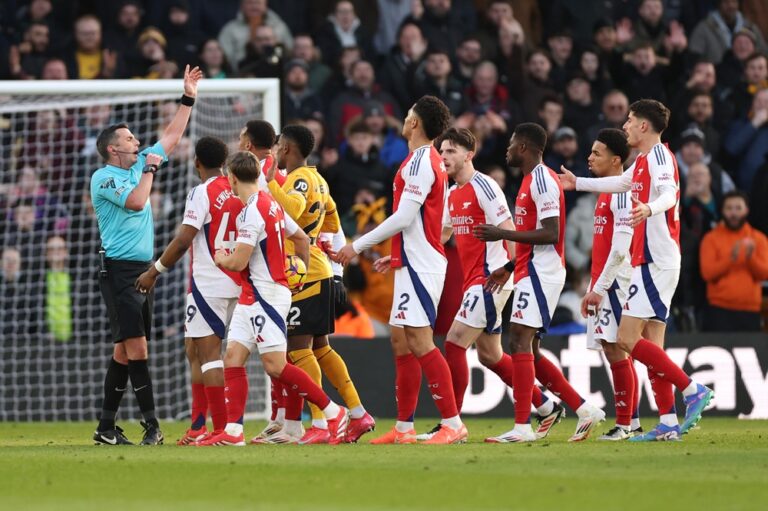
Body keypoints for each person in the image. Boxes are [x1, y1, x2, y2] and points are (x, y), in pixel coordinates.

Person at [559, 99, 715, 442]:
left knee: (627, 340)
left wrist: (649, 207)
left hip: (655, 260)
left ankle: (692, 389)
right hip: (654, 260)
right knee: (650, 346)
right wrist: (579, 183)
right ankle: (668, 422)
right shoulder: (643, 160)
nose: (625, 126)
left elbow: (670, 193)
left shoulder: (658, 156)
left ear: (644, 126)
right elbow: (621, 183)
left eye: (630, 121)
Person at [414, 127, 565, 442]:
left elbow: (508, 229)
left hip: (489, 281)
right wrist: (409, 256)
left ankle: (451, 423)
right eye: (441, 152)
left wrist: (508, 270)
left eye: (451, 151)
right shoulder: (451, 193)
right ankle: (546, 405)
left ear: (469, 155)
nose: (444, 157)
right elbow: (441, 236)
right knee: (490, 356)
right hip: (477, 281)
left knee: (454, 344)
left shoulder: (486, 187)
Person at [336, 96, 467, 445]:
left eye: (408, 115)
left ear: (415, 124)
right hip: (411, 262)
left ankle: (453, 423)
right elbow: (420, 222)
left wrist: (357, 246)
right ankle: (405, 428)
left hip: (423, 265)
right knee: (401, 340)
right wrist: (395, 256)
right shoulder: (423, 161)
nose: (405, 120)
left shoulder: (422, 162)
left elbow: (405, 217)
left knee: (421, 341)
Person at [198, 151, 350, 446]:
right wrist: (300, 274)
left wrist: (219, 258)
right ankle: (233, 431)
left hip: (266, 294)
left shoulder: (251, 212)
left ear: (231, 178)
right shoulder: (272, 206)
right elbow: (302, 239)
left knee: (276, 365)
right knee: (233, 357)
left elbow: (238, 261)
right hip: (252, 294)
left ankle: (334, 412)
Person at [89, 64, 203, 446]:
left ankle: (105, 428)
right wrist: (151, 171)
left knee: (124, 351)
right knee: (137, 347)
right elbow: (138, 202)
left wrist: (188, 97)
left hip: (142, 269)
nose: (137, 141)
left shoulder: (139, 163)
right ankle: (152, 425)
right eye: (129, 138)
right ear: (113, 148)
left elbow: (171, 136)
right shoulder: (103, 177)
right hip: (119, 270)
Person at [474, 123, 605, 443]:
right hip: (527, 269)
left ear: (524, 148)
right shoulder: (530, 181)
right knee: (528, 347)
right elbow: (536, 235)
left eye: (511, 144)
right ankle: (583, 408)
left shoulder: (543, 179)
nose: (506, 149)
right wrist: (508, 265)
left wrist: (502, 234)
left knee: (518, 342)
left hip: (541, 272)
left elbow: (551, 232)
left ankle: (522, 427)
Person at [265, 125, 373, 444]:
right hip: (319, 269)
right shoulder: (321, 181)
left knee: (298, 350)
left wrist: (270, 179)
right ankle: (356, 413)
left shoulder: (298, 178)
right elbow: (333, 226)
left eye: (278, 148)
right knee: (320, 347)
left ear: (285, 149)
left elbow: (294, 210)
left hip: (304, 272)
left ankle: (322, 422)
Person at [134, 136, 241, 445]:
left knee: (208, 356)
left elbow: (183, 240)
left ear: (196, 162)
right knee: (192, 349)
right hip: (237, 278)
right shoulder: (235, 187)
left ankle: (219, 429)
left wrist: (154, 271)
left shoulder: (202, 191)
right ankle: (197, 426)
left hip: (209, 282)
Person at [578, 129, 643, 440]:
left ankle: (625, 423)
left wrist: (598, 289)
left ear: (616, 160)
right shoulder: (608, 193)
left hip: (615, 283)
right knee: (615, 350)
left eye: (596, 153)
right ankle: (632, 420)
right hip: (607, 280)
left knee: (616, 349)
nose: (590, 157)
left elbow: (620, 250)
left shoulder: (620, 195)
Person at [699, 191, 768, 332]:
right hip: (719, 310)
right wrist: (731, 258)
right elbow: (707, 274)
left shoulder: (759, 239)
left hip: (750, 310)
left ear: (746, 210)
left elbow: (764, 274)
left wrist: (750, 258)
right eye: (729, 208)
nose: (734, 213)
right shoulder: (711, 238)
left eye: (738, 208)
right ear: (722, 210)